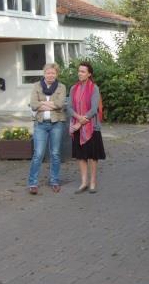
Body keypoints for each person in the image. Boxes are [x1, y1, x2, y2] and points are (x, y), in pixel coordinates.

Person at [28, 63, 67, 195]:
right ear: (44, 74)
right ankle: (33, 183)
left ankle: (54, 181)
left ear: (56, 74)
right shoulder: (36, 86)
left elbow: (61, 104)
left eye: (53, 73)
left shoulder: (62, 87)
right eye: (48, 73)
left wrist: (42, 103)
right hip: (40, 124)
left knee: (55, 154)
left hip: (56, 123)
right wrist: (52, 105)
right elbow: (33, 105)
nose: (50, 75)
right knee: (38, 154)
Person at [68, 62, 105, 194]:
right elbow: (69, 107)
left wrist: (82, 121)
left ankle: (93, 182)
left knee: (92, 156)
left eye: (83, 71)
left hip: (92, 126)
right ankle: (84, 182)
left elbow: (94, 109)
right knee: (81, 156)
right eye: (79, 71)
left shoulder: (94, 88)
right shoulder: (73, 88)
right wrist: (78, 118)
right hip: (78, 125)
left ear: (89, 74)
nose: (80, 73)